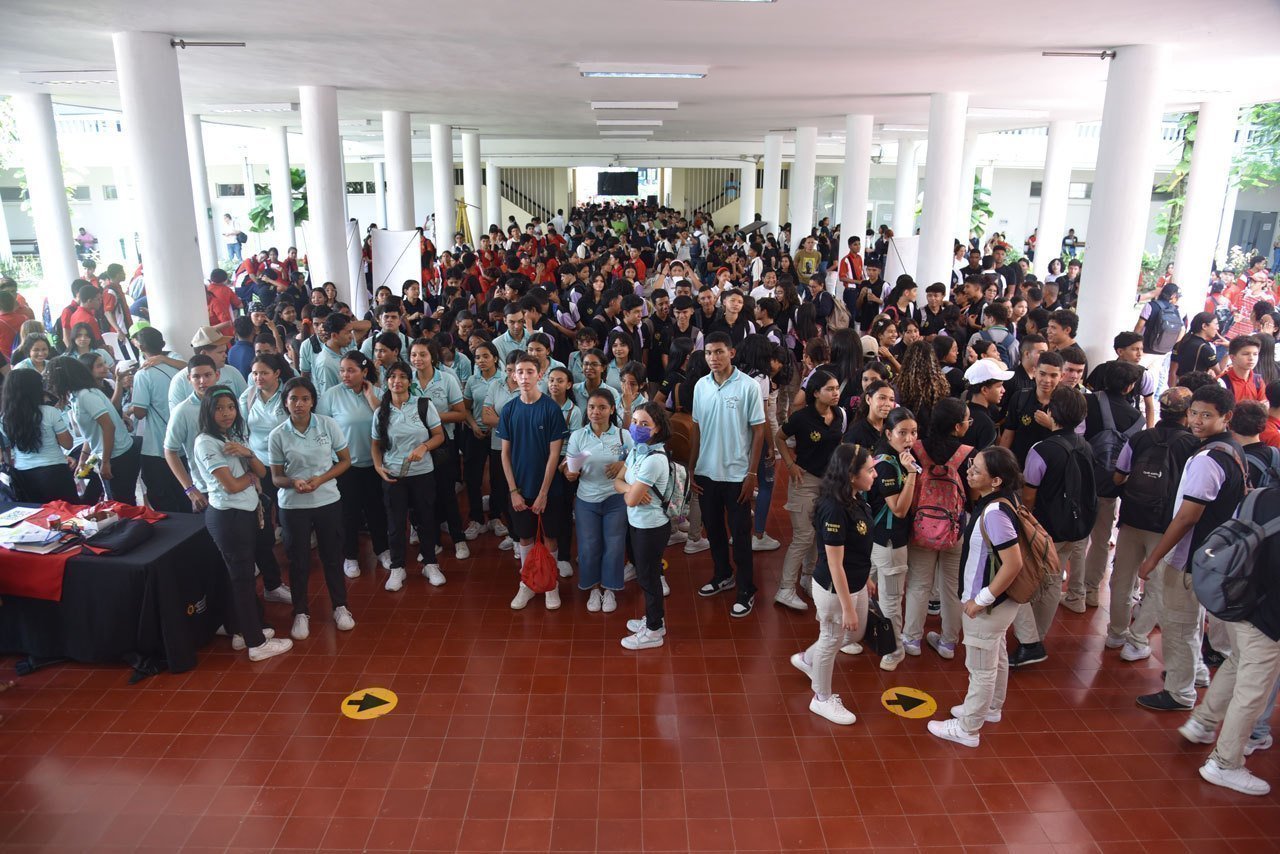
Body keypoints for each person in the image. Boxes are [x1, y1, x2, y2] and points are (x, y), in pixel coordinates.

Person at [1135, 384, 1247, 712]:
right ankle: (1196, 671)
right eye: (1194, 412)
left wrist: (1154, 558)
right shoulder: (1231, 449)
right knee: (1192, 619)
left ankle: (1179, 692)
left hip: (1190, 557)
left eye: (1206, 415)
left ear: (1226, 417)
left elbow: (1187, 517)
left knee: (1179, 624)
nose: (1197, 420)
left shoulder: (1207, 459)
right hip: (1212, 554)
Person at [1176, 486, 1280, 795]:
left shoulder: (1260, 495)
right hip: (1267, 618)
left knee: (1236, 662)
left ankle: (1203, 723)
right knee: (1253, 691)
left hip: (1235, 600)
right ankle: (1224, 763)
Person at [927, 446, 1027, 748]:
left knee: (980, 667)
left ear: (995, 481)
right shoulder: (1003, 501)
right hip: (1002, 603)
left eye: (977, 469)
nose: (969, 471)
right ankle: (990, 709)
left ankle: (969, 728)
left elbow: (1013, 563)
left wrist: (980, 599)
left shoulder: (995, 513)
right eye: (972, 465)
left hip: (988, 605)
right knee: (996, 656)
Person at [193, 387, 293, 662]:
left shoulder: (231, 436)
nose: (226, 413)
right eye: (219, 408)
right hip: (229, 516)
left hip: (246, 512)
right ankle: (256, 643)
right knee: (242, 580)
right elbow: (233, 484)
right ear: (208, 412)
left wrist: (247, 454)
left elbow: (263, 472)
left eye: (230, 407)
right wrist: (249, 477)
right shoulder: (206, 442)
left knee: (241, 576)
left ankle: (240, 630)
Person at [1109, 387, 1200, 661]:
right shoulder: (1193, 446)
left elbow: (1118, 477)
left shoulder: (1139, 439)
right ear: (1187, 413)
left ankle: (1115, 633)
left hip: (1132, 518)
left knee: (1122, 579)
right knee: (1158, 584)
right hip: (1167, 527)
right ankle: (1136, 641)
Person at [788, 444, 876, 726]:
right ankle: (821, 698)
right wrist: (848, 608)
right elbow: (835, 563)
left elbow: (857, 549)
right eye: (870, 470)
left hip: (855, 583)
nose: (875, 474)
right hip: (834, 591)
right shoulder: (834, 509)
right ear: (851, 475)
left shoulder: (856, 498)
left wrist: (866, 579)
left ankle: (807, 659)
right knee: (831, 639)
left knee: (854, 634)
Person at [1010, 386, 1094, 667]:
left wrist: (1023, 523)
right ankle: (1037, 636)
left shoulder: (1042, 450)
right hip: (1077, 527)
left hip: (1046, 530)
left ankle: (1030, 641)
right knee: (1053, 582)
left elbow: (1029, 494)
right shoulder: (1085, 444)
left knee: (1024, 580)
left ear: (1052, 412)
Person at [268, 377, 354, 640]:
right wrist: (294, 482)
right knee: (299, 561)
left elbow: (344, 461)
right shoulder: (278, 434)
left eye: (305, 399)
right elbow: (276, 478)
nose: (299, 404)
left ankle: (341, 607)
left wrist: (320, 479)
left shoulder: (327, 425)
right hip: (293, 506)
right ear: (285, 402)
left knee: (331, 556)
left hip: (327, 501)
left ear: (313, 401)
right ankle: (301, 612)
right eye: (293, 399)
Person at [689, 332, 766, 618]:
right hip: (707, 472)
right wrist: (691, 466)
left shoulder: (748, 387)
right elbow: (696, 427)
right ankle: (723, 574)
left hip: (737, 475)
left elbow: (759, 430)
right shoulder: (701, 386)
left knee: (741, 534)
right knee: (714, 530)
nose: (713, 358)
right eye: (709, 353)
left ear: (731, 353)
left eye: (719, 352)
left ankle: (746, 589)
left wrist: (751, 472)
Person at [905, 398, 976, 662]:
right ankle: (948, 642)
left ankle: (911, 638)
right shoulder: (969, 454)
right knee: (951, 586)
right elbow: (973, 494)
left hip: (920, 527)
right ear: (958, 426)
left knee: (919, 584)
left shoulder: (917, 449)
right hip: (955, 530)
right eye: (968, 420)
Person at [502, 352, 571, 610]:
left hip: (548, 490)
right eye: (520, 372)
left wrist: (543, 493)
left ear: (539, 375)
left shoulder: (551, 409)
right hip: (520, 489)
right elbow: (505, 455)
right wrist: (513, 491)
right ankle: (527, 584)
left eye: (530, 371)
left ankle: (550, 585)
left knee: (551, 538)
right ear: (513, 375)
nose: (525, 376)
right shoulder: (509, 410)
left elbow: (555, 455)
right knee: (525, 538)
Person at [775, 369, 846, 609]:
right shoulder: (801, 418)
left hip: (829, 484)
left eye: (837, 388)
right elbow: (779, 437)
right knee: (803, 536)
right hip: (804, 481)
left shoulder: (839, 415)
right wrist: (789, 464)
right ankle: (785, 588)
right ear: (815, 393)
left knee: (819, 534)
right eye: (830, 389)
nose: (836, 393)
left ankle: (807, 578)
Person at [319, 351, 389, 579]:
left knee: (376, 509)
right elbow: (322, 429)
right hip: (345, 466)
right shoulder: (331, 395)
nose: (345, 375)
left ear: (364, 372)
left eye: (351, 370)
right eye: (342, 370)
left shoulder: (376, 392)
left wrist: (370, 397)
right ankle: (350, 556)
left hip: (374, 464)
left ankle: (382, 549)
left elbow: (385, 421)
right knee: (348, 513)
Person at [564, 388, 631, 613]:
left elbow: (637, 462)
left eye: (602, 407)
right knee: (588, 546)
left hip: (615, 499)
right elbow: (569, 467)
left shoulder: (623, 435)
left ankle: (610, 589)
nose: (596, 412)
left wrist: (623, 465)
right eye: (592, 407)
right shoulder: (578, 436)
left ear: (612, 410)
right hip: (586, 500)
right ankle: (593, 588)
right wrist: (570, 473)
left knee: (614, 545)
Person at [615, 403, 674, 650]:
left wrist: (629, 492)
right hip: (637, 523)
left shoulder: (654, 460)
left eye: (645, 424)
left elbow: (628, 498)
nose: (637, 427)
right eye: (635, 422)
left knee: (649, 579)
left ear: (657, 429)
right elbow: (617, 481)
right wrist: (632, 488)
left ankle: (653, 630)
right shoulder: (638, 450)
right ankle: (653, 621)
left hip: (651, 528)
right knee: (646, 575)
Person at [45, 356, 142, 505]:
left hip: (118, 456)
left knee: (122, 504)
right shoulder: (76, 396)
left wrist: (106, 461)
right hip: (107, 454)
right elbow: (92, 433)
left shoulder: (86, 395)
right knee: (116, 502)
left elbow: (108, 427)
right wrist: (83, 460)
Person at [866, 406, 920, 671]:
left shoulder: (899, 457)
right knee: (889, 598)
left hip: (879, 538)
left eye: (913, 432)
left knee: (875, 591)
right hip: (888, 540)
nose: (909, 439)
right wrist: (911, 475)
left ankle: (884, 643)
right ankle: (896, 649)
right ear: (888, 433)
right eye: (902, 433)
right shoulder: (889, 465)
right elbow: (898, 509)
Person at [408, 338, 471, 560]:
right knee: (423, 496)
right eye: (414, 355)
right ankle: (432, 541)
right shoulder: (407, 381)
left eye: (423, 355)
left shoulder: (446, 379)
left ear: (432, 356)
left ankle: (458, 538)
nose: (418, 359)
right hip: (416, 445)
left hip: (444, 443)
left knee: (446, 493)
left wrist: (430, 417)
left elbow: (461, 413)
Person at [0, 368, 76, 503]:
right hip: (55, 472)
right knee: (71, 515)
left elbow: (10, 451)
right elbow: (68, 443)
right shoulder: (50, 412)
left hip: (24, 476)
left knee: (43, 518)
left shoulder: (5, 419)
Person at [461, 341, 501, 538]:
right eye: (477, 357)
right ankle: (476, 518)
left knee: (498, 476)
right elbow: (465, 408)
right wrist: (474, 425)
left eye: (486, 356)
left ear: (495, 358)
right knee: (473, 477)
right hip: (475, 433)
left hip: (498, 434)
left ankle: (495, 517)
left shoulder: (504, 379)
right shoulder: (472, 380)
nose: (481, 361)